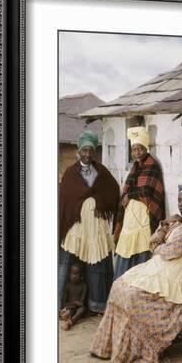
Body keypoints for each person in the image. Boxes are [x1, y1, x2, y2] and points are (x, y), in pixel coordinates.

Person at [90, 177, 182, 363]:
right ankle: (109, 348)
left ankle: (136, 350)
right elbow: (154, 241)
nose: (181, 204)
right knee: (120, 285)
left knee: (134, 296)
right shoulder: (179, 222)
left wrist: (159, 246)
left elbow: (171, 251)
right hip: (162, 266)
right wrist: (165, 226)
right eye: (179, 200)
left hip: (179, 270)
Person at [58, 130, 119, 313]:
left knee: (97, 263)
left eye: (91, 150)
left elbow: (114, 191)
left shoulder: (101, 171)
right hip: (76, 227)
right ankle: (61, 303)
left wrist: (99, 201)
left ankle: (96, 304)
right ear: (79, 150)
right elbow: (65, 199)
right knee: (67, 262)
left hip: (96, 227)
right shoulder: (70, 173)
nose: (87, 154)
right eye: (84, 150)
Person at [113, 126, 165, 280]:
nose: (137, 152)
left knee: (141, 253)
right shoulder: (135, 167)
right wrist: (127, 197)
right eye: (134, 149)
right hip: (130, 220)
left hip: (144, 218)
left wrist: (131, 195)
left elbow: (149, 191)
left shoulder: (152, 166)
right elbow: (129, 190)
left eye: (140, 149)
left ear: (145, 148)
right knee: (126, 251)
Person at [59, 263, 87, 330]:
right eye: (72, 273)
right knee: (68, 311)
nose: (74, 276)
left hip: (77, 309)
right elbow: (64, 303)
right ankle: (66, 317)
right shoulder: (68, 285)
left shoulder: (84, 286)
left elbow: (81, 303)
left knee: (82, 309)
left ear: (81, 276)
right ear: (69, 274)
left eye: (76, 274)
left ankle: (70, 322)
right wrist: (75, 302)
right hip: (70, 308)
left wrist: (75, 304)